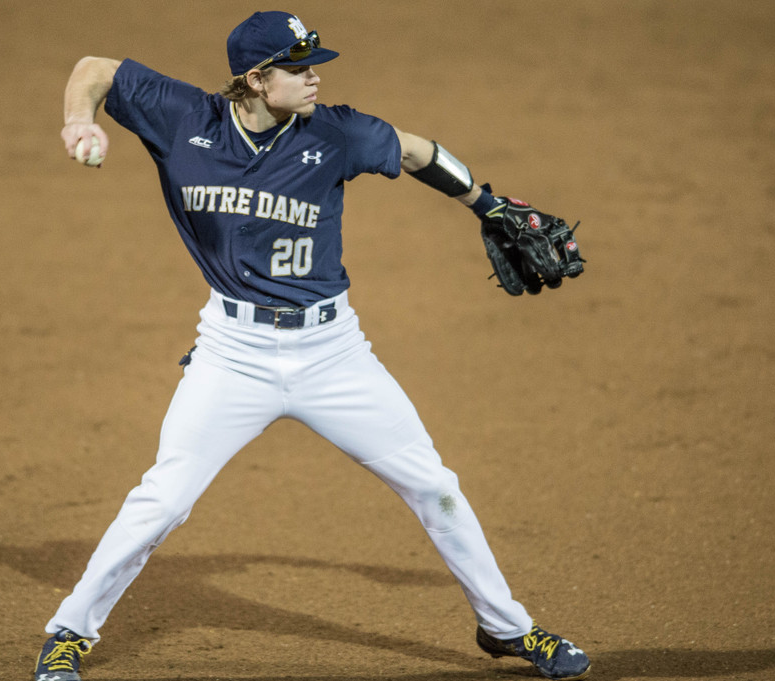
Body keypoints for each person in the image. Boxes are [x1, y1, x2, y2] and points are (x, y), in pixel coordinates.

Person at [34, 10, 590, 681]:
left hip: (334, 353)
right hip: (232, 353)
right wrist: (78, 119)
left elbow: (414, 150)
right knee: (163, 498)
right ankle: (69, 632)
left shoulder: (336, 133)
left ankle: (508, 628)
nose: (314, 79)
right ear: (256, 77)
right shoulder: (184, 117)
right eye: (298, 69)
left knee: (434, 485)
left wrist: (486, 202)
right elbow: (93, 70)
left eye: (312, 65)